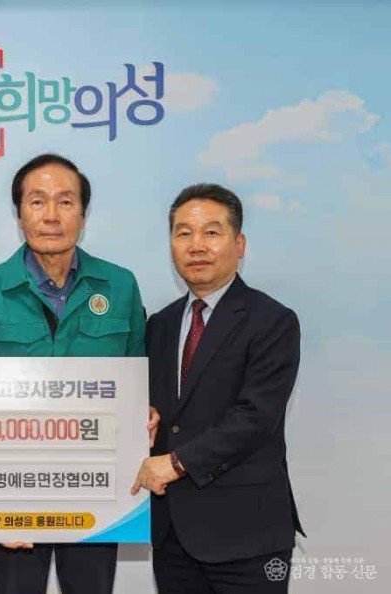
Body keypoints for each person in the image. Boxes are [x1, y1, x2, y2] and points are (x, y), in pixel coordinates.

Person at [0, 154, 147, 594]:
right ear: (19, 215)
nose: (51, 215)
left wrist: (146, 414)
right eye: (37, 202)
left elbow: (137, 383)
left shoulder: (120, 286)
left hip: (98, 488)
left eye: (65, 202)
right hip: (13, 491)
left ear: (83, 214)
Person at [131, 183, 304, 593]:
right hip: (173, 535)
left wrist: (175, 463)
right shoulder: (159, 325)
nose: (196, 246)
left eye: (211, 232)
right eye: (183, 233)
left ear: (239, 244)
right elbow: (161, 411)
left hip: (248, 535)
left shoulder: (273, 321)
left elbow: (256, 417)